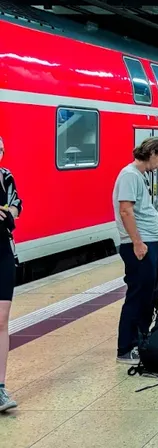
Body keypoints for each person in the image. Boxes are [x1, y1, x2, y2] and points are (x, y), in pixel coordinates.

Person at [115, 137, 158, 365]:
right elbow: (126, 210)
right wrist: (137, 242)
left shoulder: (141, 175)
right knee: (138, 296)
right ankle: (126, 348)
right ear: (150, 152)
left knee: (150, 294)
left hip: (150, 242)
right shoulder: (129, 175)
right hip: (140, 244)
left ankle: (141, 340)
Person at [0, 137, 22, 411]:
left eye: (1, 150)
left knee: (2, 319)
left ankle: (1, 388)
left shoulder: (6, 177)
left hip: (3, 251)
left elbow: (17, 203)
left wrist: (10, 211)